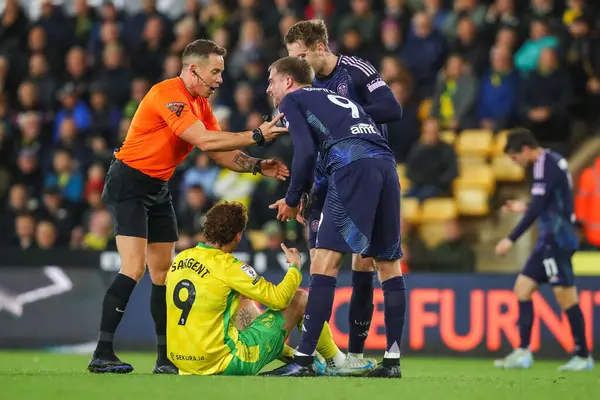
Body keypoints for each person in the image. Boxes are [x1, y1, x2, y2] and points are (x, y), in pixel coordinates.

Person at [87, 39, 289, 375]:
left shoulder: (200, 105)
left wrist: (255, 165)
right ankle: (102, 352)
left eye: (221, 72)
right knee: (134, 267)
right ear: (193, 70)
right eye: (216, 72)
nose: (220, 79)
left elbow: (219, 151)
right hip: (129, 183)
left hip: (158, 186)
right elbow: (205, 140)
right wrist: (255, 135)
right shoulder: (167, 94)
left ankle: (165, 359)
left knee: (162, 274)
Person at [265, 57, 406, 378]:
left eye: (272, 80)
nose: (268, 88)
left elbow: (305, 152)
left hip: (352, 165)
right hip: (385, 165)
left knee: (324, 263)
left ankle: (302, 362)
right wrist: (307, 196)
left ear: (288, 81)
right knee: (388, 264)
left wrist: (291, 198)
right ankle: (392, 360)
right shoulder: (335, 99)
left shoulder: (293, 100)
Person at [166, 201, 344, 376]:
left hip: (183, 363)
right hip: (222, 362)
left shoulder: (181, 258)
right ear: (238, 235)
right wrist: (294, 268)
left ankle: (297, 358)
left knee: (239, 300)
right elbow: (279, 299)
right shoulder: (229, 266)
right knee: (300, 299)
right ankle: (336, 362)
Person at [494, 129, 594, 371]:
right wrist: (524, 205)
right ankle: (523, 352)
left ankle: (582, 355)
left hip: (557, 240)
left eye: (515, 157)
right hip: (551, 239)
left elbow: (539, 207)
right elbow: (548, 200)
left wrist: (511, 238)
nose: (515, 163)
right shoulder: (553, 160)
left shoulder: (542, 165)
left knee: (565, 295)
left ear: (526, 150)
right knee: (522, 288)